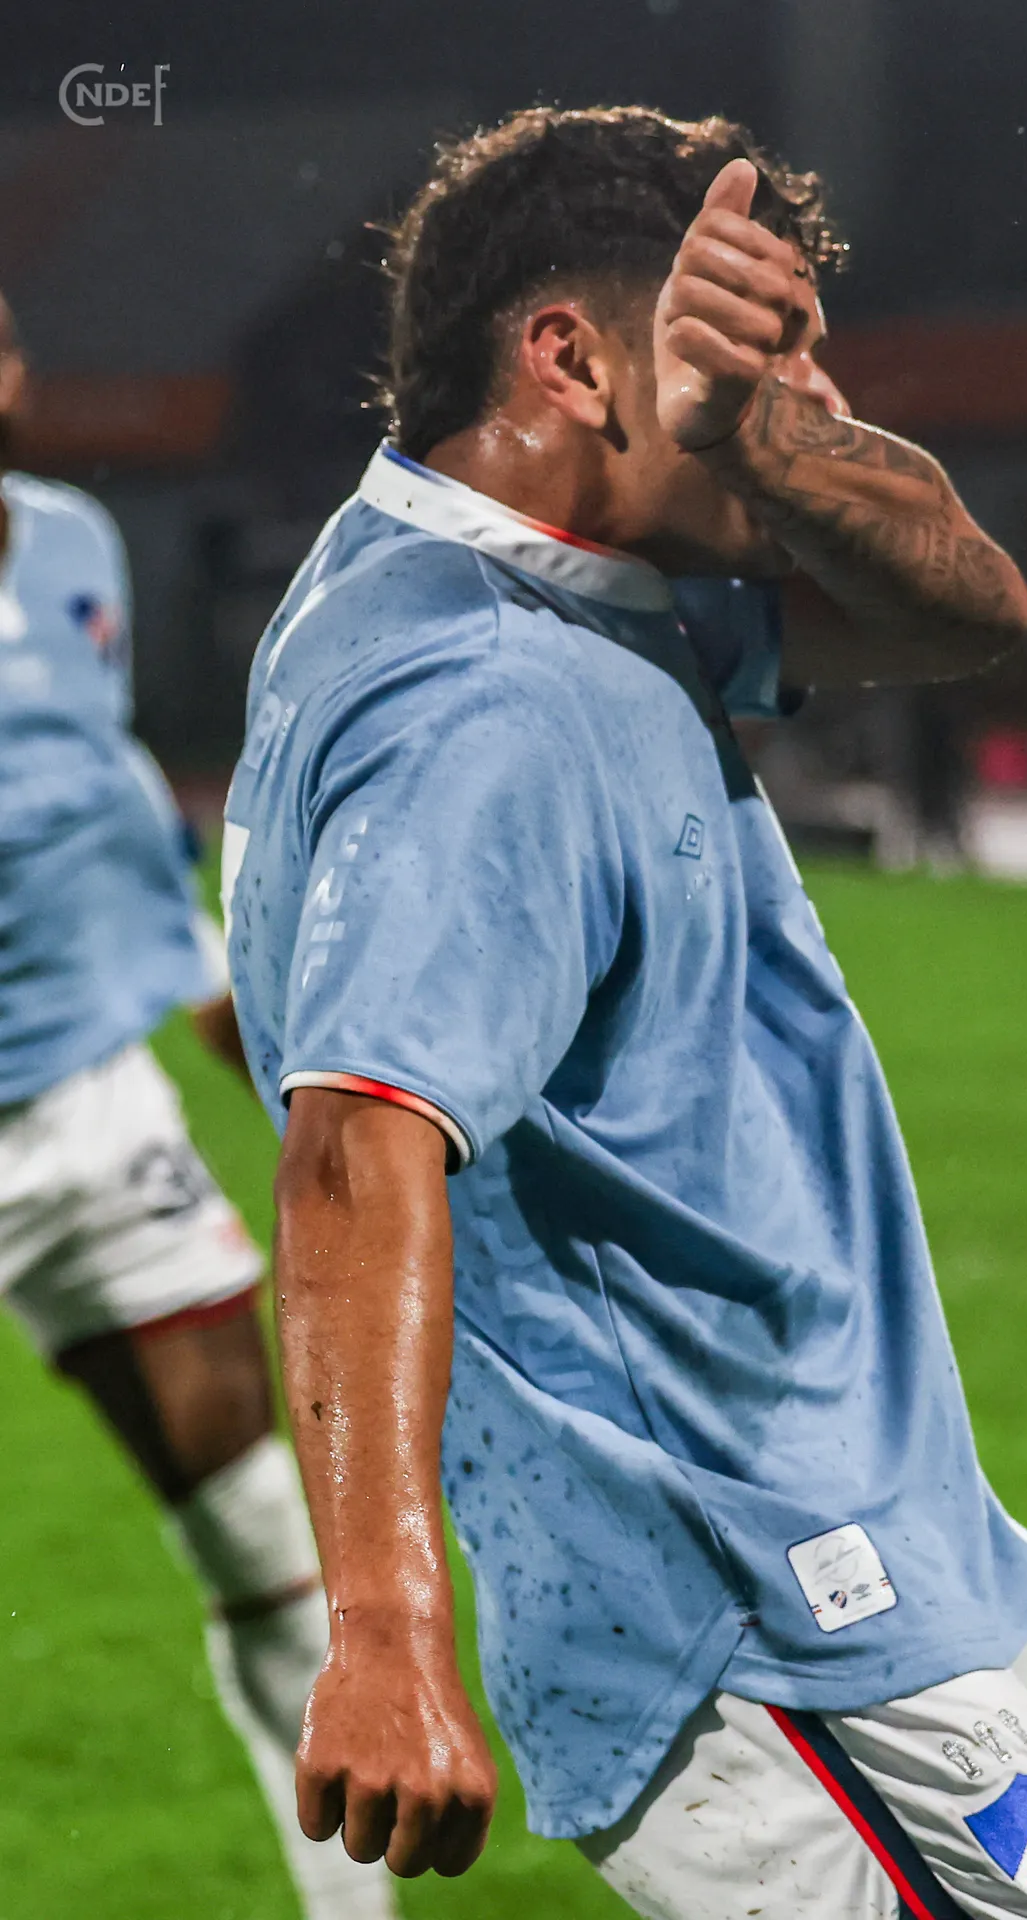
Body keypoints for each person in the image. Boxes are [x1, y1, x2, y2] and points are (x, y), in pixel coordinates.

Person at [225, 106, 1027, 1917]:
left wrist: (755, 432)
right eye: (759, 347)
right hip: (761, 1593)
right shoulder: (489, 694)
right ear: (574, 360)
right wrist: (387, 1629)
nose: (809, 396)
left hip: (782, 1569)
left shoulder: (514, 578)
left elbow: (968, 607)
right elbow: (356, 1148)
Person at [0, 295, 395, 1920]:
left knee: (270, 1546)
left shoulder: (67, 545)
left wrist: (243, 1019)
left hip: (84, 1101)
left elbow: (102, 814)